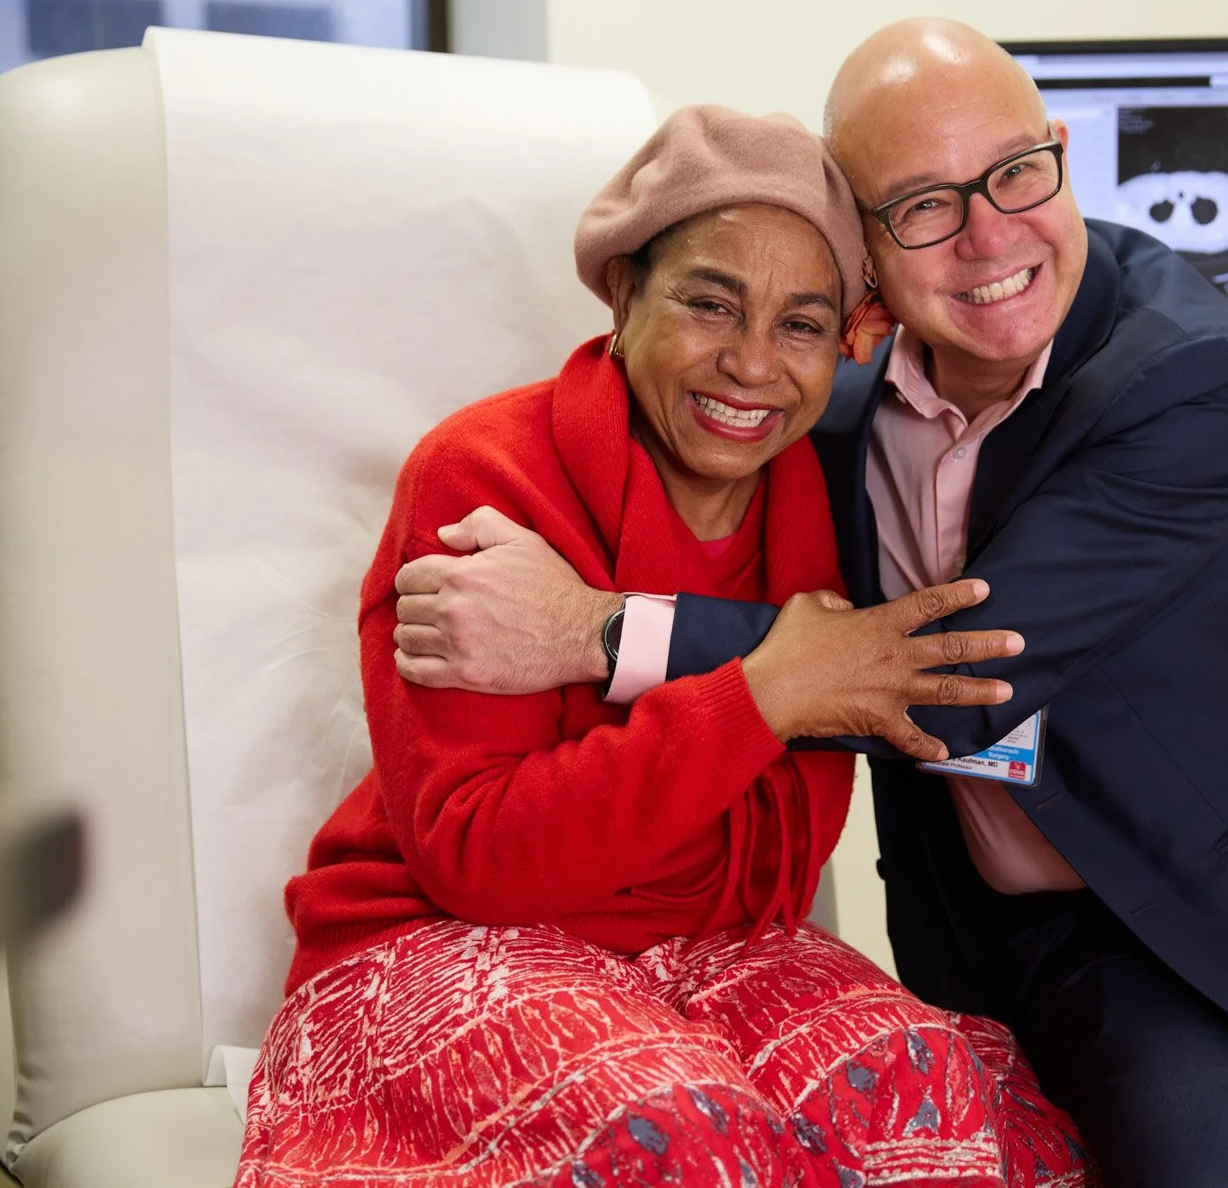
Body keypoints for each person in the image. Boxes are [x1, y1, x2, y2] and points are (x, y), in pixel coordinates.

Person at [390, 21, 1228, 1188]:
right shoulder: (817, 421)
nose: (992, 235)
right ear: (869, 265)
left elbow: (964, 676)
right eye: (925, 206)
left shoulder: (1193, 378)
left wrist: (595, 628)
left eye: (1016, 173)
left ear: (1060, 153)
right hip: (1100, 956)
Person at [234, 104, 1095, 1188]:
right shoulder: (482, 472)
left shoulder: (815, 493)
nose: (751, 365)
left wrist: (640, 767)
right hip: (435, 937)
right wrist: (764, 696)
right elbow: (485, 856)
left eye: (800, 325)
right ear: (624, 293)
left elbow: (787, 851)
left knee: (928, 1089)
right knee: (681, 1129)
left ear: (845, 341)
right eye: (709, 304)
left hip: (720, 951)